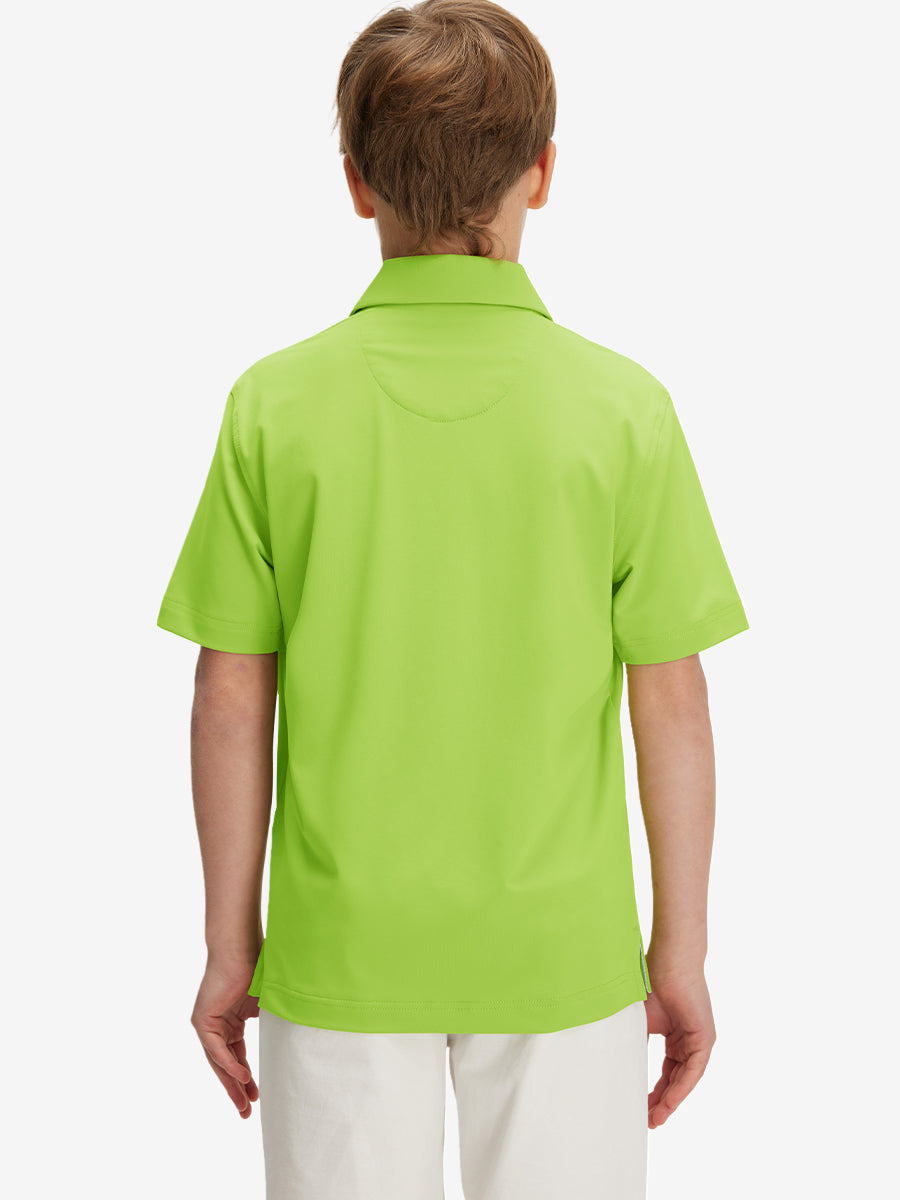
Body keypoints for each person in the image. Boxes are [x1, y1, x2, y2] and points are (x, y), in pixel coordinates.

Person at [156, 1, 749, 1196]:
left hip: (342, 950)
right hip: (561, 955)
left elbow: (230, 697)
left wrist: (230, 947)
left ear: (355, 182)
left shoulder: (275, 406)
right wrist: (677, 951)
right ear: (543, 172)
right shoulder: (621, 409)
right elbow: (672, 704)